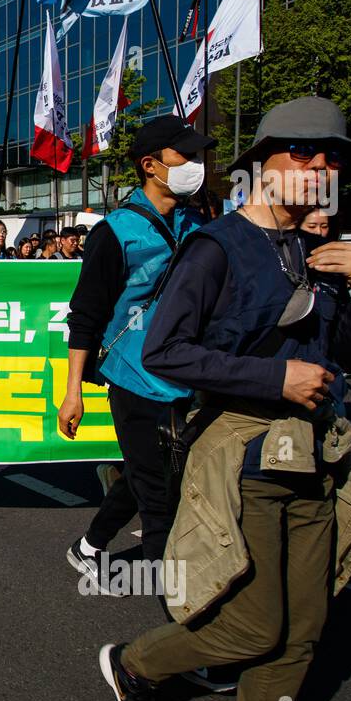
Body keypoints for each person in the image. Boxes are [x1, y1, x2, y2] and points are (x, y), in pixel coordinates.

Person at [99, 96, 351, 701]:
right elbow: (162, 349)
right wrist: (274, 380)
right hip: (246, 458)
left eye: (332, 157)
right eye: (303, 152)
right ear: (262, 163)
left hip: (317, 460)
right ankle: (137, 665)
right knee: (256, 628)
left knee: (305, 629)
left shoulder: (309, 246)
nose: (320, 166)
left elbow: (335, 354)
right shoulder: (217, 248)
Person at [60, 115, 215, 593]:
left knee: (150, 470)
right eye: (184, 156)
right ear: (151, 165)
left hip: (188, 370)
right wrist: (73, 394)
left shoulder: (199, 221)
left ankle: (88, 547)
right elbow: (85, 316)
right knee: (160, 502)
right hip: (133, 374)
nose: (196, 165)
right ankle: (176, 624)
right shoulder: (114, 233)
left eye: (197, 155)